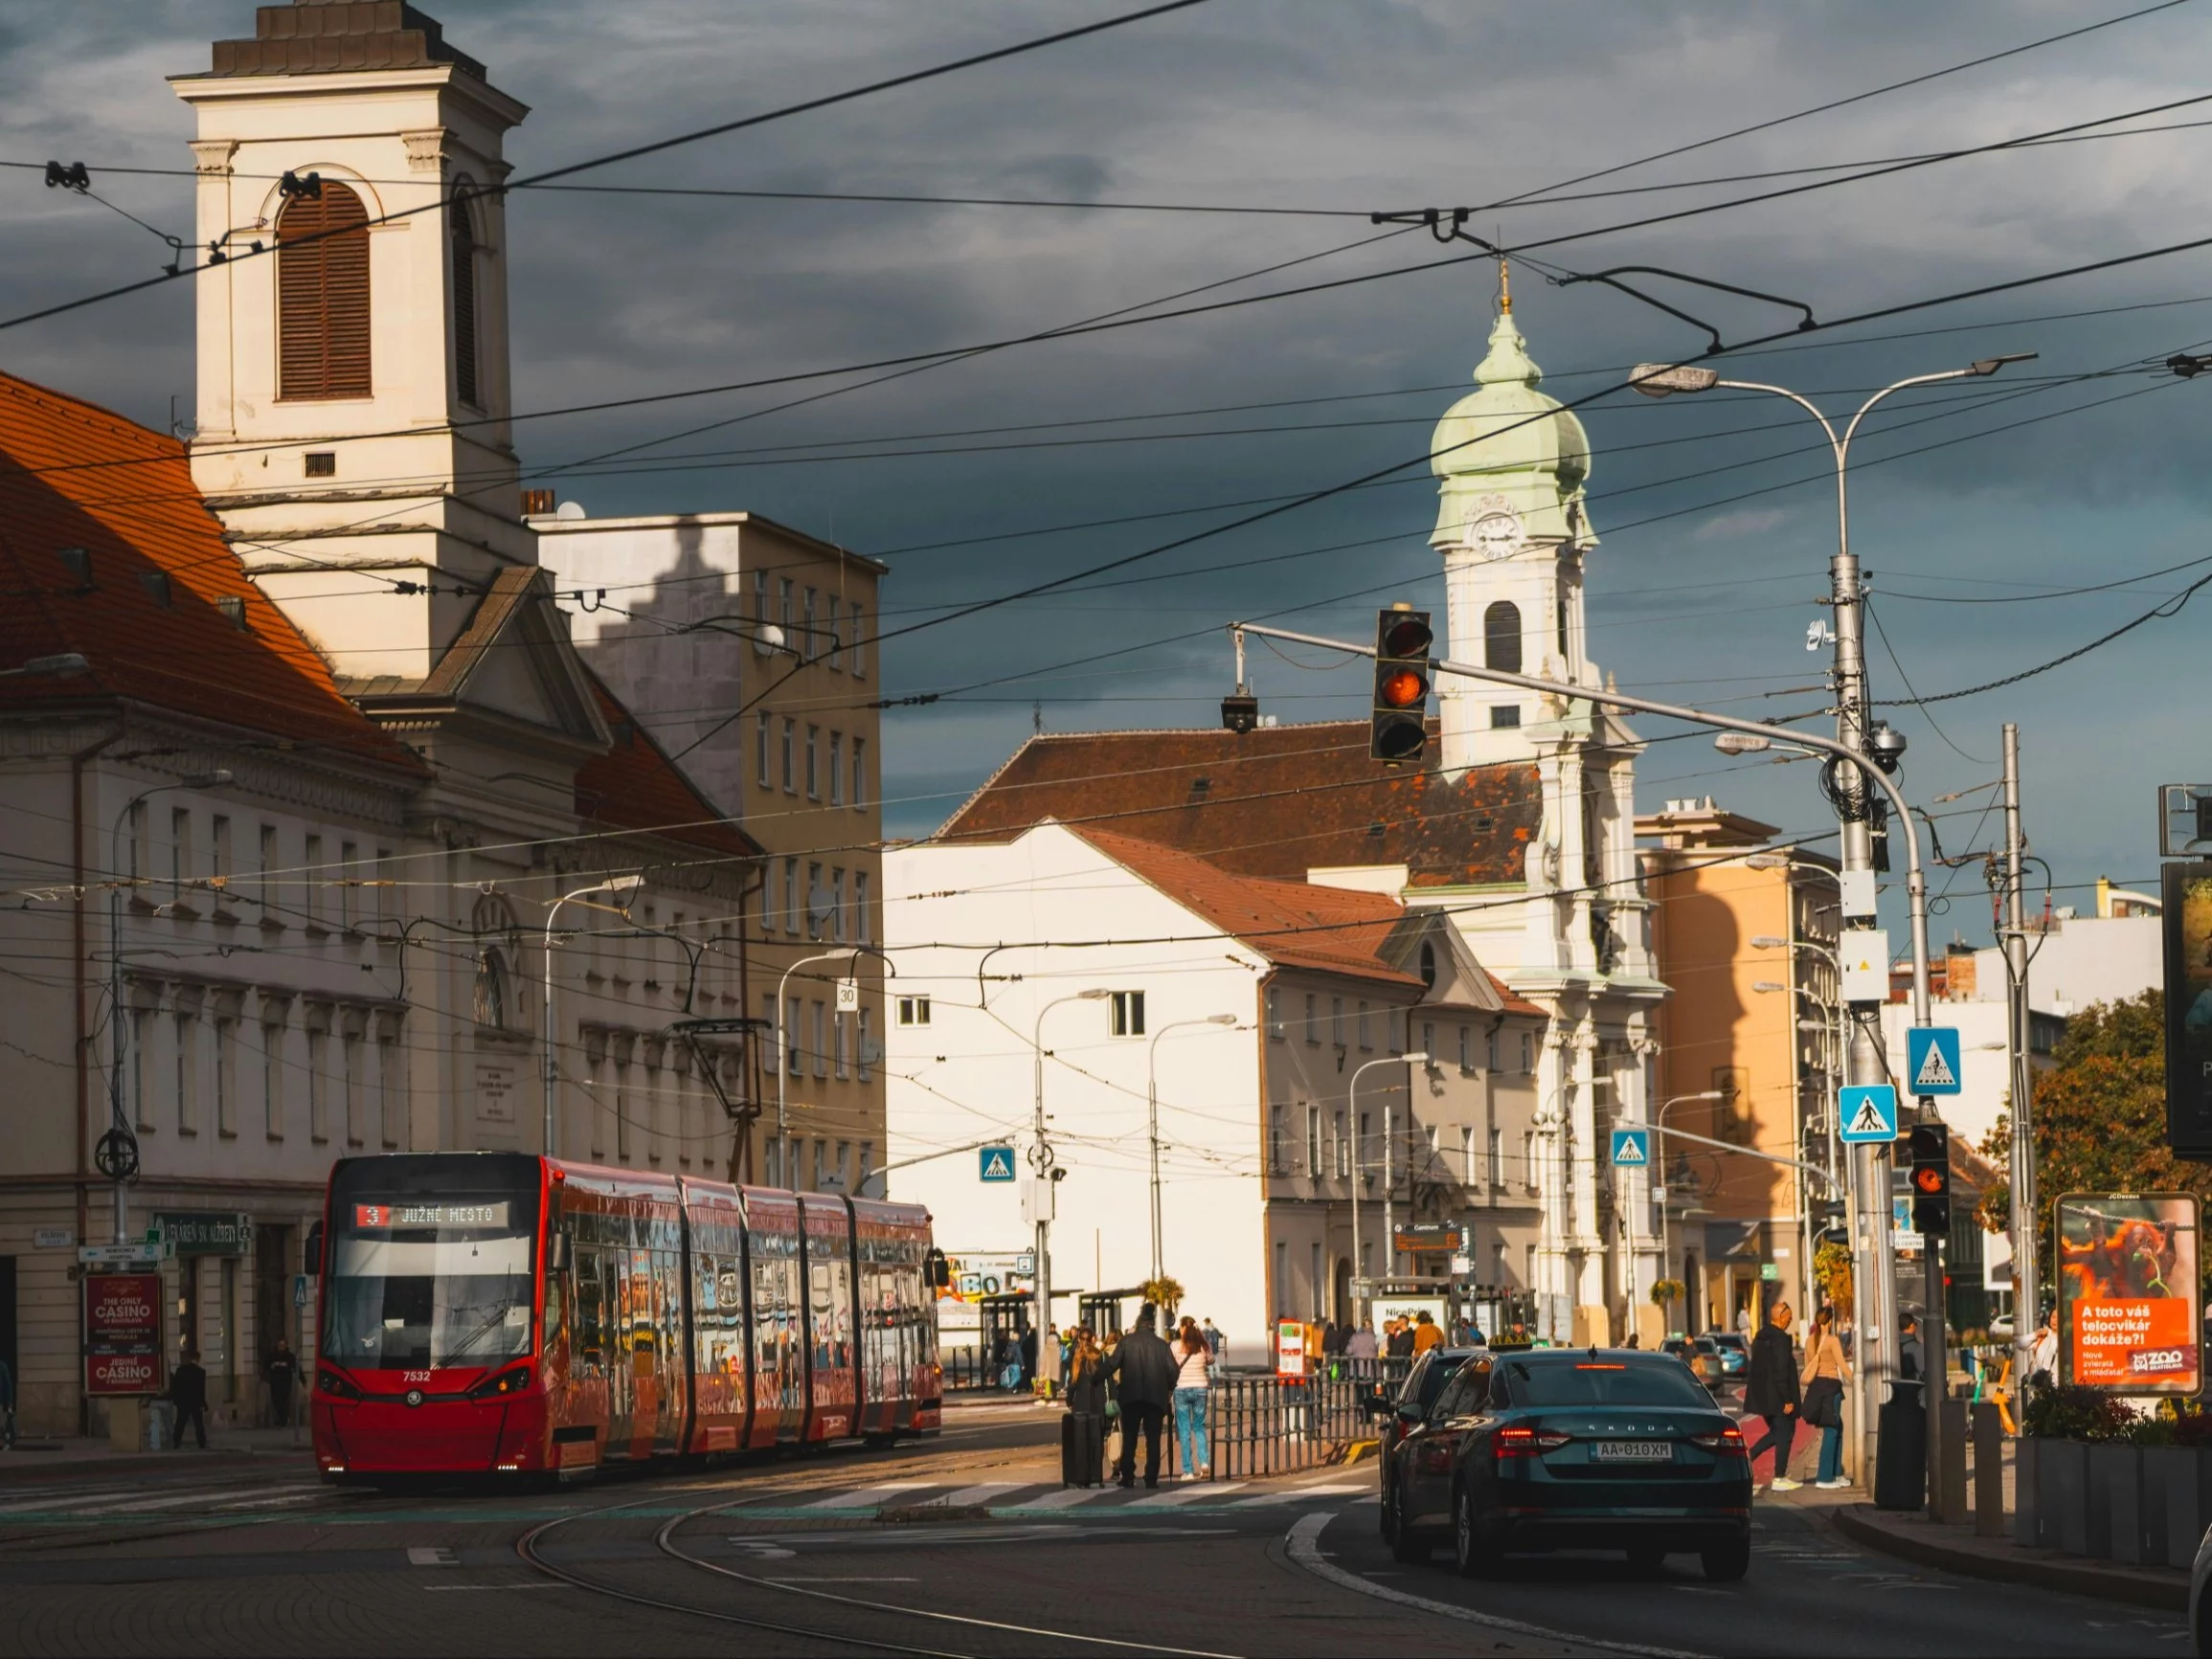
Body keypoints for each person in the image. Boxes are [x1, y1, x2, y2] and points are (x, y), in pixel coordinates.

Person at [1102, 1305, 1177, 1489]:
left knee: (1130, 1438)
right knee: (1153, 1439)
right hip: (1155, 1398)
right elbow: (1173, 1370)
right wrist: (1168, 1388)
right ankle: (1151, 1476)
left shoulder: (1126, 1342)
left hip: (1130, 1397)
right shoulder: (1161, 1345)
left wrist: (1096, 1377)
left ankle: (1127, 1475)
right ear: (1152, 1325)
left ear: (1137, 1325)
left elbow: (1112, 1364)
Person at [1742, 1301, 1802, 1491]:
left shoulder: (1760, 1337)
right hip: (1779, 1398)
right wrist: (1787, 1400)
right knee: (1785, 1433)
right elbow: (1781, 1371)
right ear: (1780, 1316)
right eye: (1789, 1316)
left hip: (1764, 1398)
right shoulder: (1780, 1340)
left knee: (1777, 1433)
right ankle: (1780, 1477)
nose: (1790, 1319)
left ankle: (1748, 1457)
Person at [1800, 1306, 1852, 1490]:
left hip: (1817, 1388)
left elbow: (1808, 1367)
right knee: (1831, 1430)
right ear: (1829, 1321)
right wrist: (1857, 1381)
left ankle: (1837, 1473)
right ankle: (1824, 1477)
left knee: (1837, 1427)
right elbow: (1842, 1366)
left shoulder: (1808, 1341)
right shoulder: (1832, 1341)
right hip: (1831, 1388)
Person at [1061, 1328, 1109, 1488]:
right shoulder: (1100, 1356)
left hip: (1081, 1403)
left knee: (1081, 1440)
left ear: (1079, 1340)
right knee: (1098, 1440)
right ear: (1093, 1339)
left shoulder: (1077, 1357)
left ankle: (1083, 1476)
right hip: (1099, 1403)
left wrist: (1069, 1400)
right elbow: (1107, 1379)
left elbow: (1073, 1382)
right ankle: (1097, 1475)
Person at [1171, 1318, 1212, 1480]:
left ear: (1182, 1329)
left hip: (1181, 1388)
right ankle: (1204, 1463)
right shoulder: (1203, 1345)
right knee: (1199, 1427)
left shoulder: (1175, 1346)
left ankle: (1188, 1471)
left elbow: (1171, 1364)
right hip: (1200, 1388)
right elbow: (1211, 1360)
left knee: (1184, 1429)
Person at [169, 1347, 210, 1450]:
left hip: (183, 1402)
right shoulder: (200, 1372)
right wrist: (203, 1403)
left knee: (180, 1423)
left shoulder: (180, 1370)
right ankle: (202, 1443)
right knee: (198, 1424)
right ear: (198, 1358)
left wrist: (176, 1400)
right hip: (195, 1402)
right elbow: (201, 1390)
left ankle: (176, 1442)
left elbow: (176, 1387)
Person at [264, 1338, 299, 1429]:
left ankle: (283, 1420)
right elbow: (266, 1366)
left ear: (286, 1346)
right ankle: (281, 1419)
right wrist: (268, 1371)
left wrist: (303, 1381)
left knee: (284, 1400)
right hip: (275, 1381)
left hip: (286, 1382)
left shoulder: (290, 1357)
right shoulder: (272, 1356)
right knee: (275, 1400)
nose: (281, 1348)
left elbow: (297, 1368)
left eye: (283, 1346)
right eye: (280, 1345)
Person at [1898, 1313, 1925, 1384]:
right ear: (1912, 1326)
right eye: (1915, 1325)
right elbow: (1924, 1373)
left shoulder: (1894, 1346)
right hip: (1915, 1390)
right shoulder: (1916, 1348)